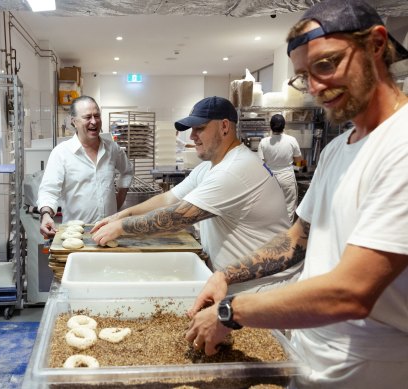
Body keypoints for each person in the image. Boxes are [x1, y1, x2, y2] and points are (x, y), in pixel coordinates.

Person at [185, 1, 408, 388]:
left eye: (326, 64)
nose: (317, 88)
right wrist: (225, 274)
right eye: (305, 76)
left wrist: (231, 310)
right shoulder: (340, 149)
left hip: (371, 369)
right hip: (309, 356)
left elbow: (351, 293)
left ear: (376, 44)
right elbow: (295, 242)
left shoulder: (401, 144)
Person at [92, 96, 297, 294]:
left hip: (265, 288)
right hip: (241, 285)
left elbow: (176, 217)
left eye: (200, 129)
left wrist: (121, 228)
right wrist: (123, 215)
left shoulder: (234, 169)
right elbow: (169, 198)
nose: (191, 137)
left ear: (224, 127)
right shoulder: (211, 166)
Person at [37, 96, 134, 238]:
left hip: (109, 231)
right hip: (76, 233)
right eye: (87, 117)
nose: (94, 122)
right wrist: (46, 214)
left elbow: (127, 171)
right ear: (73, 121)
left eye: (97, 116)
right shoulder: (61, 153)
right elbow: (49, 190)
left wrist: (119, 200)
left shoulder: (112, 148)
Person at [257, 113, 303, 223]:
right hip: (287, 178)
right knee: (288, 209)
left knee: (271, 209)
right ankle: (286, 237)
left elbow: (261, 165)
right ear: (284, 126)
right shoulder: (292, 140)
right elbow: (299, 162)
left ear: (270, 126)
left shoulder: (264, 142)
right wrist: (298, 169)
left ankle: (272, 235)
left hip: (271, 180)